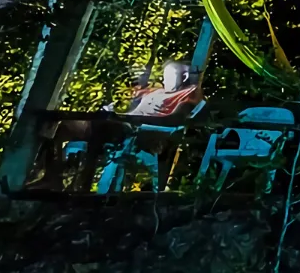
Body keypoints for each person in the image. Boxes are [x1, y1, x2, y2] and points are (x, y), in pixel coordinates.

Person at [34, 61, 203, 190]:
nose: (164, 80)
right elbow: (132, 107)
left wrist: (137, 121)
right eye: (164, 76)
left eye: (169, 76)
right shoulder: (157, 91)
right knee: (58, 124)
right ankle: (52, 175)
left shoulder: (185, 97)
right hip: (121, 123)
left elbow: (175, 121)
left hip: (136, 132)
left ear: (184, 78)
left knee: (102, 127)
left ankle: (84, 182)